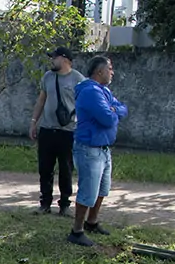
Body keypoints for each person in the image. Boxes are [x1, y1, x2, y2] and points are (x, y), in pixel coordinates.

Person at [68, 56, 127, 247]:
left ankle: (91, 222)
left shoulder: (104, 91)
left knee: (102, 189)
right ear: (99, 72)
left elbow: (123, 109)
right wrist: (113, 111)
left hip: (103, 148)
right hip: (89, 149)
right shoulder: (91, 92)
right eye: (110, 68)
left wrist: (114, 110)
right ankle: (76, 231)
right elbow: (107, 119)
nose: (112, 72)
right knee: (88, 192)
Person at [29, 47, 85, 216]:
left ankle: (65, 205)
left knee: (66, 169)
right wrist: (33, 123)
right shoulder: (48, 77)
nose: (51, 60)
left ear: (65, 59)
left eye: (54, 57)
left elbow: (84, 105)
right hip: (47, 130)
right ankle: (45, 203)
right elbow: (41, 101)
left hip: (68, 132)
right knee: (45, 168)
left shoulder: (78, 79)